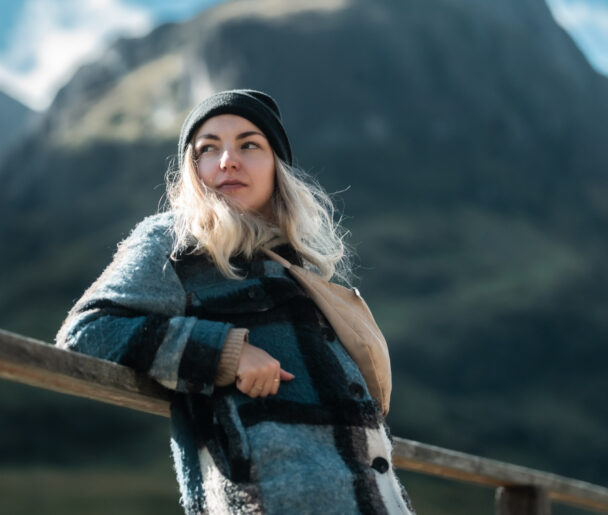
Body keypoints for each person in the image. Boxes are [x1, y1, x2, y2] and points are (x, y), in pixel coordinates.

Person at [56, 89, 414, 514]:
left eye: (249, 144)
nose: (228, 160)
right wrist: (225, 352)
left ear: (277, 166)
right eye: (209, 148)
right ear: (194, 168)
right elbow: (84, 333)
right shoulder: (173, 242)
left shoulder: (302, 269)